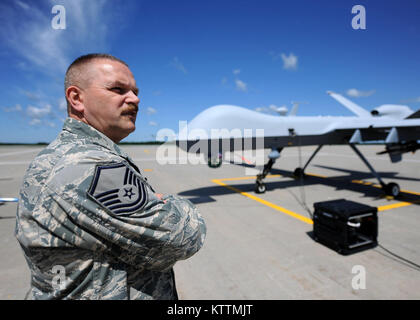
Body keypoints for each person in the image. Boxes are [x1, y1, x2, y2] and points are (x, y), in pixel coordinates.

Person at [15, 53, 206, 300]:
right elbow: (181, 238)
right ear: (76, 98)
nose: (135, 99)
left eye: (136, 92)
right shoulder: (88, 166)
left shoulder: (67, 155)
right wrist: (174, 204)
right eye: (118, 89)